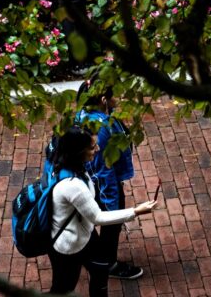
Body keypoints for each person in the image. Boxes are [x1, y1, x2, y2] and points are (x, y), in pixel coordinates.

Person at [47, 125, 157, 295]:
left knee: (101, 269)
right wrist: (136, 211)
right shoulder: (73, 186)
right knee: (63, 289)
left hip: (84, 235)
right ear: (78, 151)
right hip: (70, 246)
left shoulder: (66, 165)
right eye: (92, 147)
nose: (97, 149)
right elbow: (98, 217)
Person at [74, 80, 144, 280]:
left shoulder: (84, 116)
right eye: (115, 95)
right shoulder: (102, 129)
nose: (119, 98)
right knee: (112, 222)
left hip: (89, 179)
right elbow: (104, 170)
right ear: (103, 99)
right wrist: (113, 206)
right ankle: (107, 264)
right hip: (102, 185)